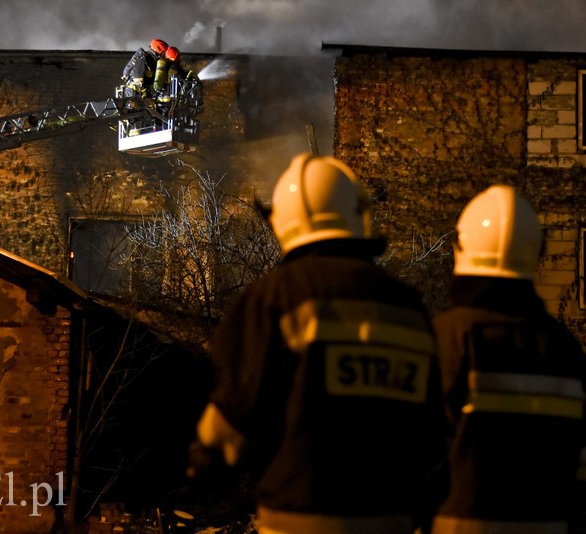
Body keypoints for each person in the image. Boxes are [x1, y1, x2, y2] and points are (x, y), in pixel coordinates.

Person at [187, 153, 449, 534]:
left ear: (282, 222)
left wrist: (204, 462)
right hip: (391, 519)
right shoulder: (407, 307)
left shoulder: (273, 298)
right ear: (358, 215)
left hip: (298, 519)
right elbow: (433, 431)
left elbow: (235, 413)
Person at [430, 185, 586, 534]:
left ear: (460, 249)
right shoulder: (567, 352)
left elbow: (410, 459)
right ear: (537, 252)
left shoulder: (445, 340)